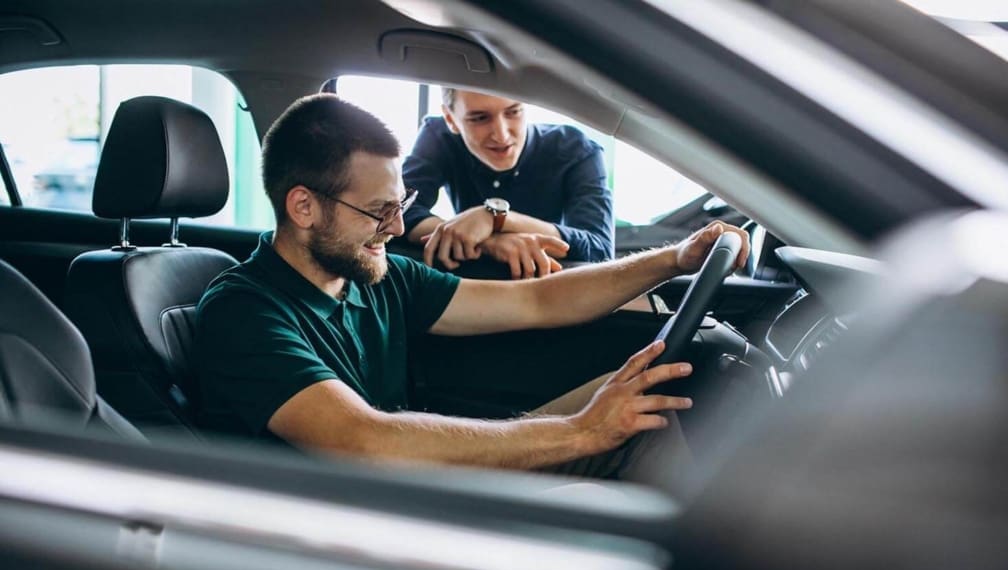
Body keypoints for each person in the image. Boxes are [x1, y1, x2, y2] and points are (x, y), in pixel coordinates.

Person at [194, 94, 748, 479]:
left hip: (422, 478)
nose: (395, 228)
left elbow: (539, 298)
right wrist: (580, 432)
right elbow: (362, 440)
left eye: (401, 206)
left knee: (646, 396)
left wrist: (675, 258)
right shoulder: (244, 310)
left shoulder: (378, 278)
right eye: (378, 211)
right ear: (304, 206)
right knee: (631, 424)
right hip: (361, 517)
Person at [401, 88, 614, 279]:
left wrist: (496, 219)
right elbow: (397, 213)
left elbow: (600, 251)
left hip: (550, 287)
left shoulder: (577, 149)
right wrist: (488, 243)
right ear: (450, 119)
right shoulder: (438, 135)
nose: (501, 135)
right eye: (480, 118)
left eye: (513, 112)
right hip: (471, 286)